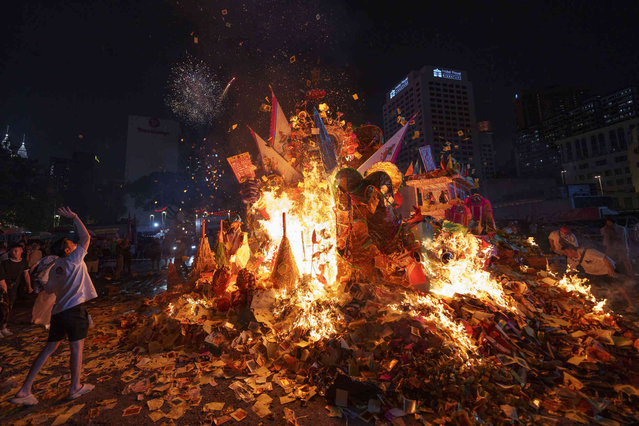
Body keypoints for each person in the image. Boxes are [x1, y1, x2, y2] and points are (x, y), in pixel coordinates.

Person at [11, 207, 97, 406]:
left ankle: (25, 390)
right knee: (77, 349)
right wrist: (75, 217)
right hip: (74, 311)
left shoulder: (57, 267)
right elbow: (86, 238)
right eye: (71, 244)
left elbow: (48, 290)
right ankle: (75, 388)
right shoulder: (73, 260)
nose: (76, 244)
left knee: (49, 348)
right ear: (67, 251)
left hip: (58, 313)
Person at [563, 243, 635, 311]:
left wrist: (611, 270)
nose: (565, 254)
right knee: (592, 289)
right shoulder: (571, 258)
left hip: (606, 270)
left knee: (619, 287)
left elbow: (604, 258)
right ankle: (598, 305)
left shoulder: (588, 252)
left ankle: (631, 305)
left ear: (572, 250)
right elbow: (571, 270)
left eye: (566, 252)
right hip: (593, 273)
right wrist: (567, 279)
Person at [0, 244, 33, 337]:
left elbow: (26, 275)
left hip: (13, 289)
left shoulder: (23, 263)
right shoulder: (5, 263)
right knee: (2, 309)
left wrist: (29, 286)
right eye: (13, 251)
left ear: (21, 251)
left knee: (9, 308)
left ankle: (4, 327)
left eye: (17, 250)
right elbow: (1, 279)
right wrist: (4, 291)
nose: (15, 253)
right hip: (3, 289)